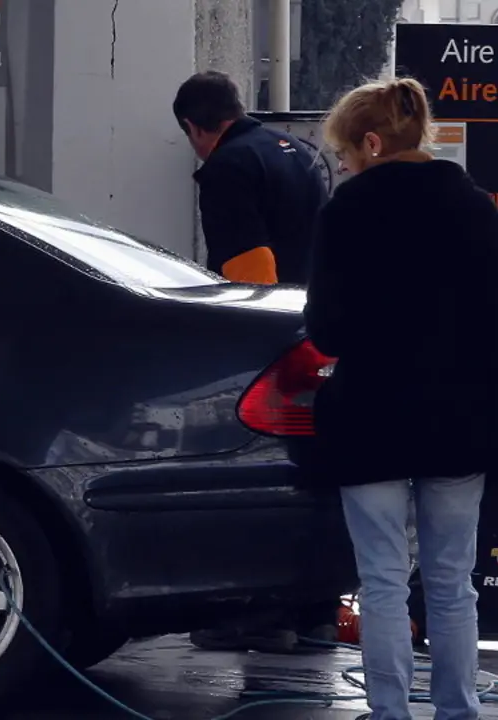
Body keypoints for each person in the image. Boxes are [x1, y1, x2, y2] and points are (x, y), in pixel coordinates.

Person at [304, 77, 498, 720]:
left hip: (373, 416)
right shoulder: (476, 208)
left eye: (347, 154)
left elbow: (325, 327)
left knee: (380, 582)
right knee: (451, 582)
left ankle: (389, 713)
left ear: (372, 142)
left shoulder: (346, 213)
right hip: (464, 417)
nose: (345, 165)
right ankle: (458, 711)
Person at [172, 71, 336, 653]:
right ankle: (315, 607)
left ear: (195, 128)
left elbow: (251, 267)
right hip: (317, 327)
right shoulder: (300, 153)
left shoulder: (227, 168)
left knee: (256, 469)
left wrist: (243, 345)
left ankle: (262, 615)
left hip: (271, 337)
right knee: (310, 474)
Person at [173, 71, 327, 285]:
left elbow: (248, 263)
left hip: (277, 310)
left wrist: (260, 316)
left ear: (192, 127)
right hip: (313, 299)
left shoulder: (225, 168)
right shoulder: (291, 145)